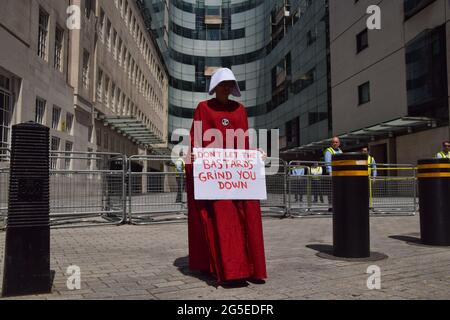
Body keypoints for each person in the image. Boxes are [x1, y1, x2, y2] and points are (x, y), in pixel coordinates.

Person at [184, 67, 267, 285]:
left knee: (246, 216)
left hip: (237, 175)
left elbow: (244, 142)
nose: (226, 88)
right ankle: (227, 269)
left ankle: (250, 268)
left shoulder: (240, 110)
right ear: (215, 87)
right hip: (215, 177)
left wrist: (254, 154)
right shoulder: (203, 108)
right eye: (223, 84)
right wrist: (195, 155)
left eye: (229, 84)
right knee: (222, 218)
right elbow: (196, 140)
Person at [323, 137, 343, 211]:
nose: (335, 143)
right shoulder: (329, 151)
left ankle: (338, 205)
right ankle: (331, 207)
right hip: (332, 174)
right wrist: (330, 172)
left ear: (339, 143)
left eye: (336, 142)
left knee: (338, 191)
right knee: (331, 191)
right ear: (331, 143)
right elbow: (327, 163)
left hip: (339, 174)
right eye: (333, 142)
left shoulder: (340, 151)